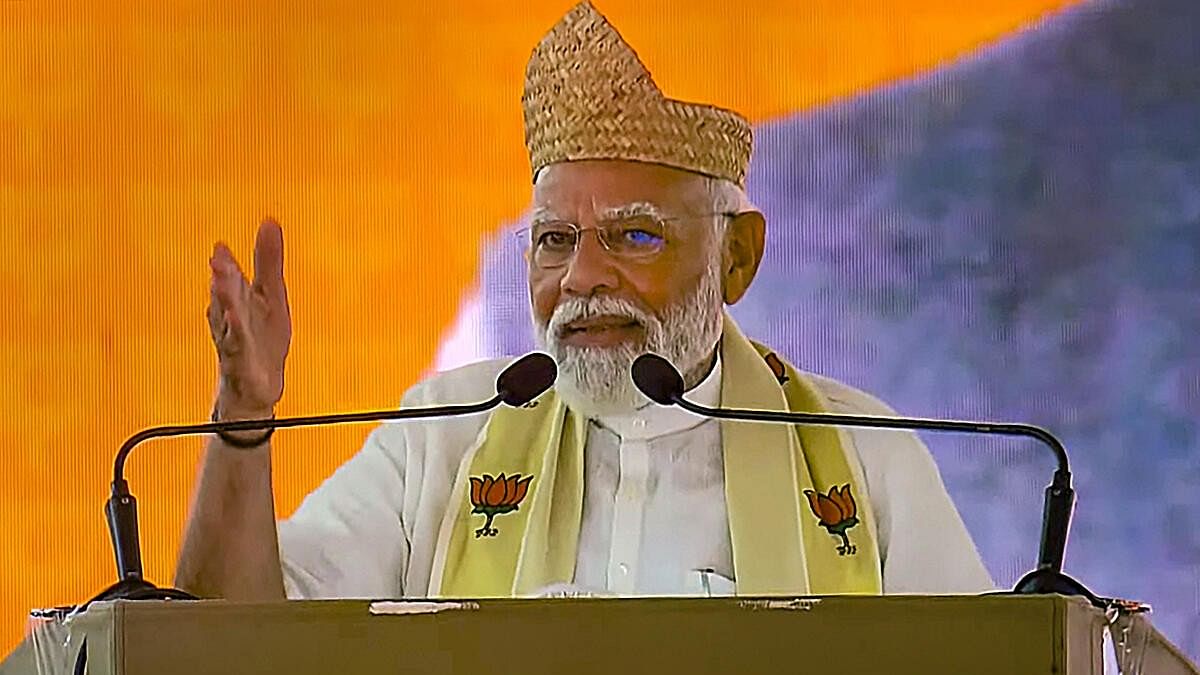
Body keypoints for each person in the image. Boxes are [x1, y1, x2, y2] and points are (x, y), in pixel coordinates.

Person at [174, 1, 993, 601]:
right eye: (556, 241)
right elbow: (232, 638)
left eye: (633, 238)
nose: (582, 277)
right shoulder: (447, 435)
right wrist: (243, 419)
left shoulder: (860, 458)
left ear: (736, 257)